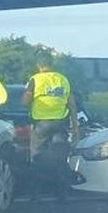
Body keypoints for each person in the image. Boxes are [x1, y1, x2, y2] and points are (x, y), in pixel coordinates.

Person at [22, 53, 80, 202]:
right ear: (51, 64)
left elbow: (26, 101)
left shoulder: (35, 79)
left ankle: (35, 194)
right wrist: (75, 128)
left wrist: (28, 98)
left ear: (38, 65)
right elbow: (72, 105)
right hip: (60, 124)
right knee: (60, 159)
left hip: (41, 125)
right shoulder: (62, 79)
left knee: (37, 158)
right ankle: (62, 193)